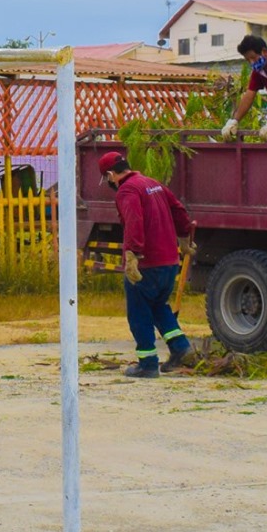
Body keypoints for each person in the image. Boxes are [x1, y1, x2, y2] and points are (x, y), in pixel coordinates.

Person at [99, 150, 196, 379]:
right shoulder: (153, 184)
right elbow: (179, 210)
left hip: (147, 264)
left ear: (111, 175)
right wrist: (185, 238)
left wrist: (132, 255)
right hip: (169, 261)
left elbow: (134, 221)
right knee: (158, 306)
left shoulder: (127, 190)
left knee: (139, 313)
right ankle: (181, 349)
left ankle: (147, 364)